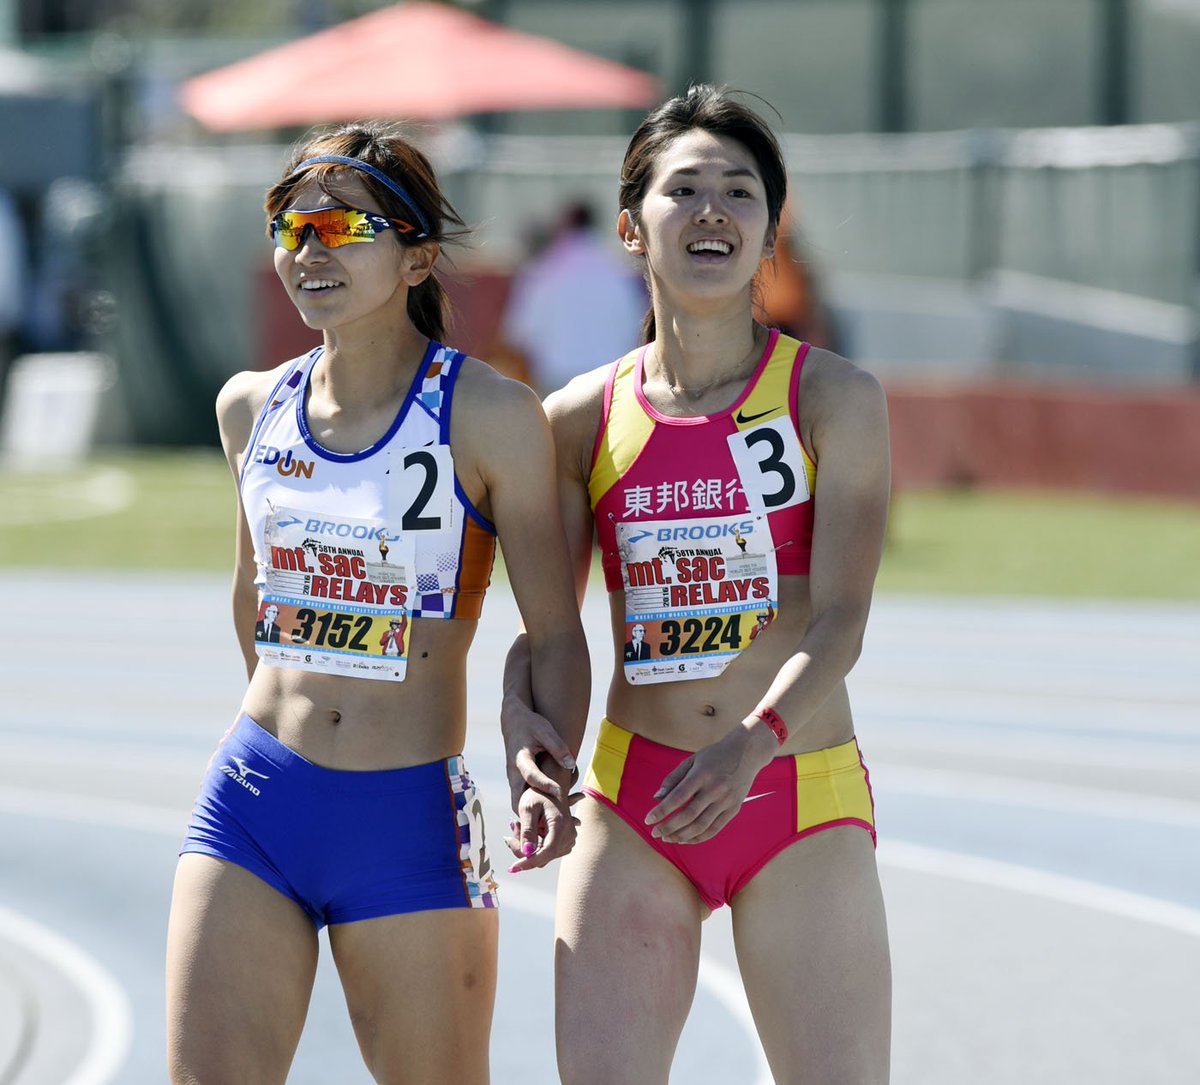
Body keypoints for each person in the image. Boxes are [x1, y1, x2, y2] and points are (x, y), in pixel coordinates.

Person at [165, 120, 587, 1085]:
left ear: (417, 258)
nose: (310, 249)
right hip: (256, 802)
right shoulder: (250, 407)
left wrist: (549, 764)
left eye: (343, 227)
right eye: (291, 224)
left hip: (408, 820)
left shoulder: (489, 415)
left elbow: (555, 632)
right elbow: (251, 602)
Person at [502, 85, 892, 1084]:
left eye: (740, 191)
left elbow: (843, 619)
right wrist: (528, 740)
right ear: (634, 227)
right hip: (638, 804)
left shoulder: (834, 398)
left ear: (771, 232)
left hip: (790, 789)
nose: (713, 209)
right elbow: (547, 629)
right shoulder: (579, 417)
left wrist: (748, 744)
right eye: (686, 190)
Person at [495, 199, 646, 395]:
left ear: (565, 223)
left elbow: (518, 333)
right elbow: (637, 328)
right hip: (610, 381)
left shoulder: (542, 270)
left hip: (557, 382)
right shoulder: (619, 273)